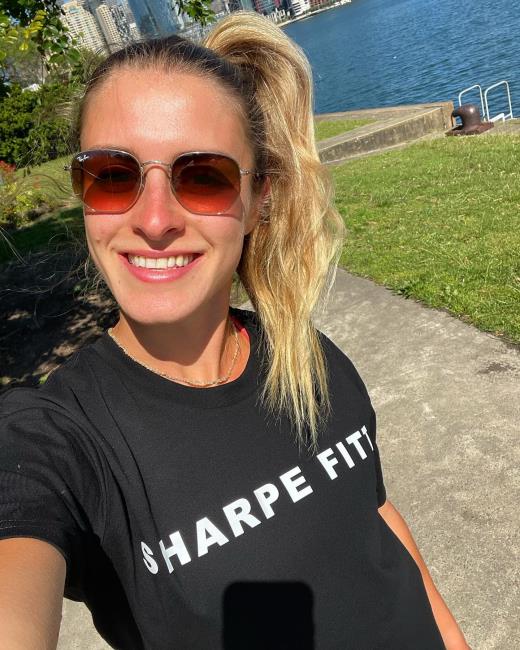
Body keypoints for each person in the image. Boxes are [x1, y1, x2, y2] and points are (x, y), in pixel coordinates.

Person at [0, 11, 469, 650]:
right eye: (112, 175)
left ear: (256, 200)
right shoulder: (55, 438)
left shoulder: (304, 352)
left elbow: (375, 514)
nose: (155, 220)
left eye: (203, 176)